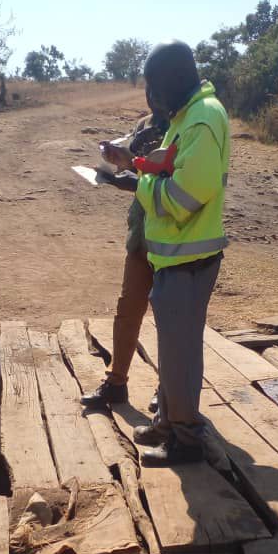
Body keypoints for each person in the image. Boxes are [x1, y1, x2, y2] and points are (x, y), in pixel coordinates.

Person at [103, 40, 230, 466]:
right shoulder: (186, 116)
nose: (151, 97)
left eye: (155, 87)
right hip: (173, 257)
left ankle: (185, 440)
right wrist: (136, 165)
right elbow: (165, 166)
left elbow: (182, 197)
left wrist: (135, 182)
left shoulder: (202, 120)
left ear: (177, 78)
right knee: (174, 350)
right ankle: (169, 422)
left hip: (188, 259)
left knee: (181, 354)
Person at [80, 114, 168, 410]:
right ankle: (116, 383)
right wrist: (116, 158)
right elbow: (134, 161)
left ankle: (166, 389)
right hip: (141, 234)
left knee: (168, 319)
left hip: (171, 238)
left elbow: (173, 180)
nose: (154, 97)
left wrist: (131, 179)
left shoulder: (185, 126)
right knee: (127, 309)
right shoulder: (146, 125)